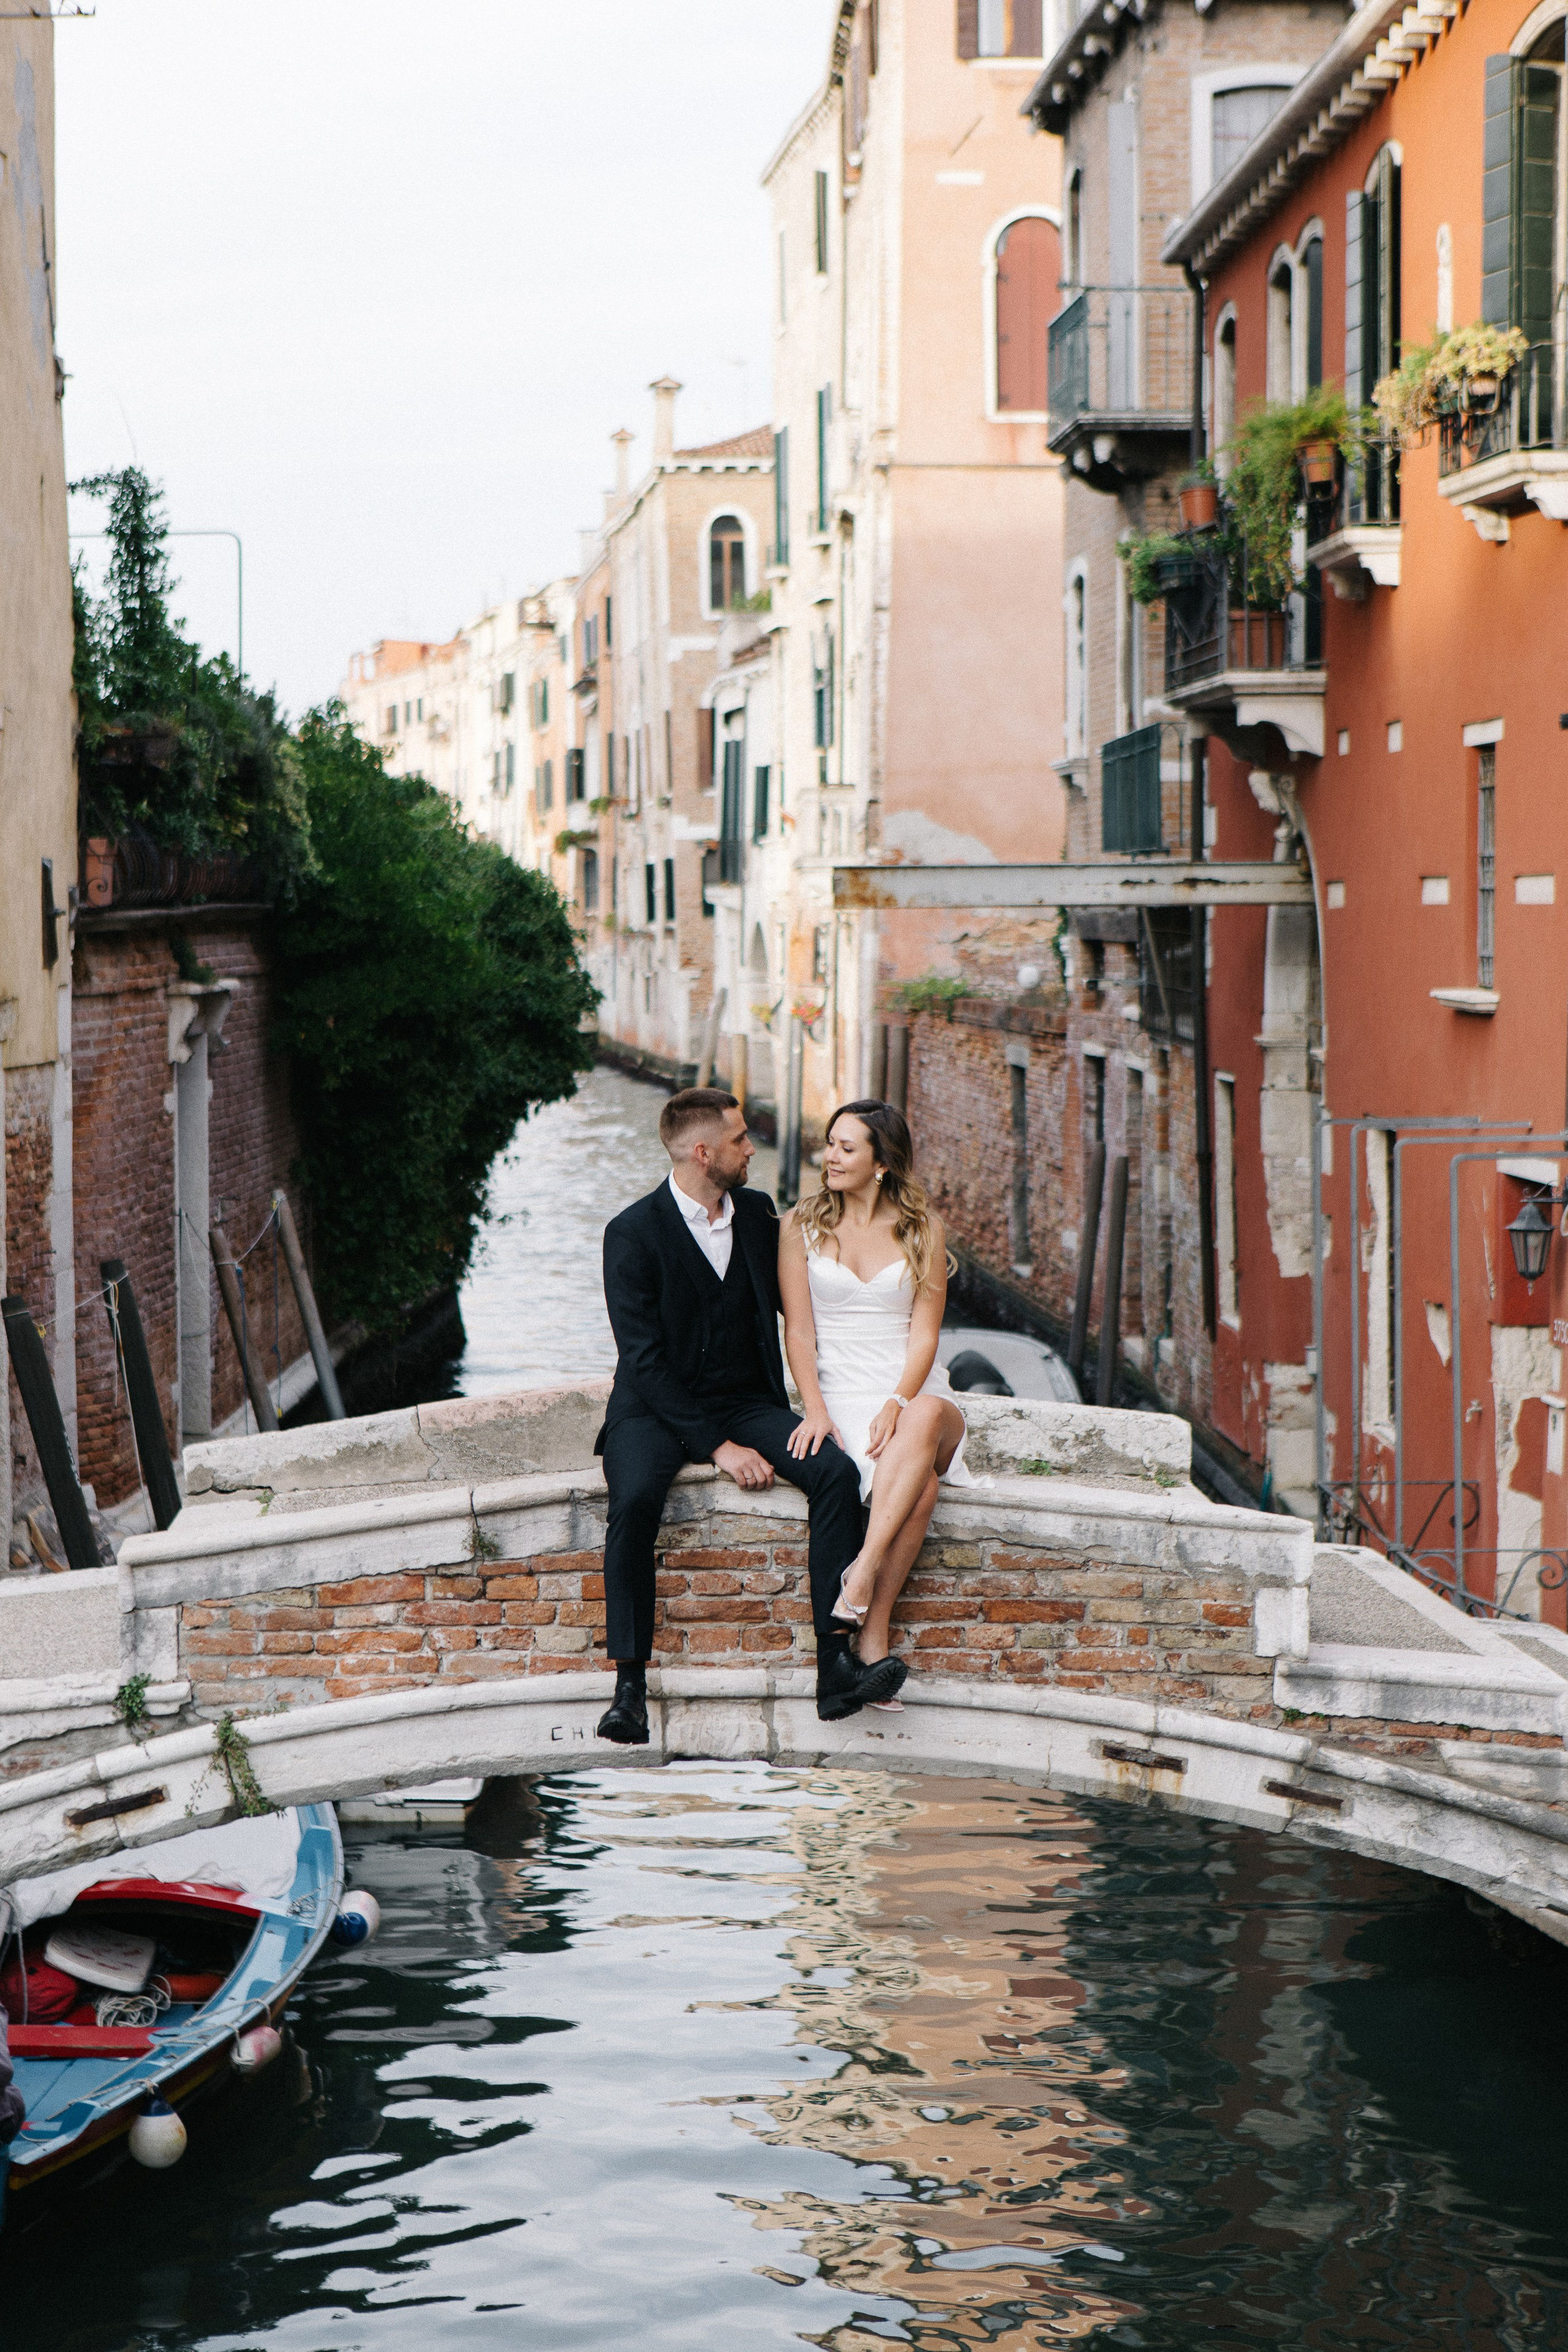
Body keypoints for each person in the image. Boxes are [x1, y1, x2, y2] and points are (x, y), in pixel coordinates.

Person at [595, 1087, 907, 1743]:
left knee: (834, 1473)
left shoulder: (762, 1215)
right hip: (652, 1411)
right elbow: (643, 1362)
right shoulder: (630, 1233)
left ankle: (834, 1668)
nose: (751, 1148)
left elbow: (817, 1280)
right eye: (740, 1140)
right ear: (705, 1153)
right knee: (634, 1499)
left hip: (748, 1402)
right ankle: (628, 1688)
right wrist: (718, 1449)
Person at [778, 1099, 973, 1708]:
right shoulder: (799, 1226)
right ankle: (873, 1640)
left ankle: (859, 1573)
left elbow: (924, 1336)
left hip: (912, 1390)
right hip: (836, 1390)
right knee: (922, 1489)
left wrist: (896, 1399)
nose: (829, 1157)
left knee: (922, 1419)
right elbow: (799, 1333)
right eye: (830, 1144)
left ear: (881, 1163)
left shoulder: (922, 1229)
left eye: (845, 1147)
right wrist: (815, 1409)